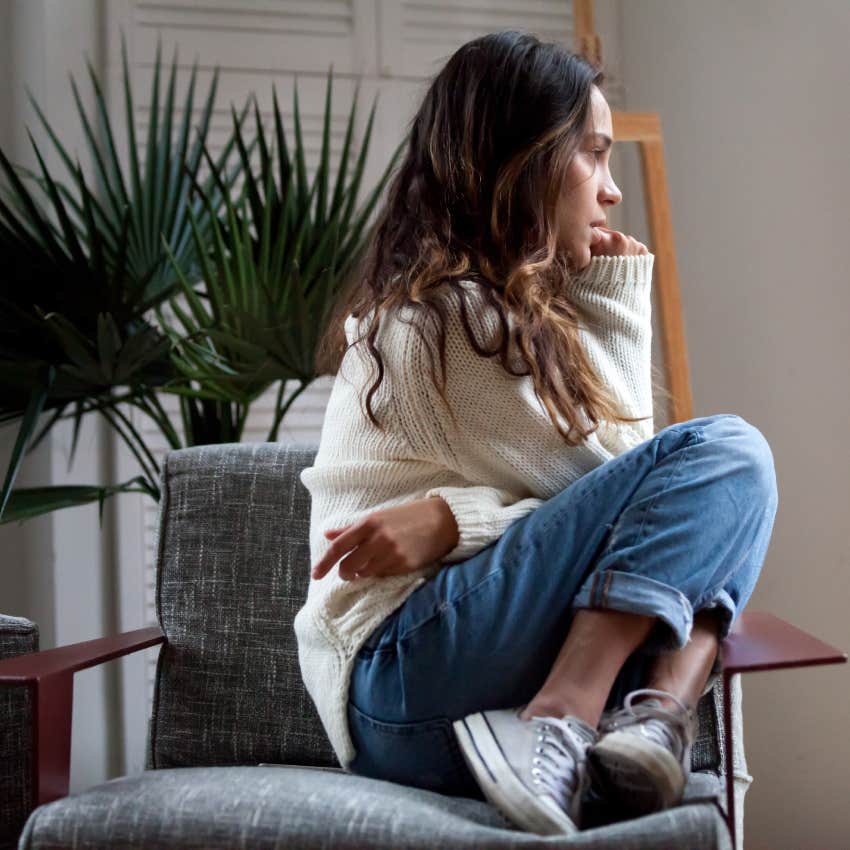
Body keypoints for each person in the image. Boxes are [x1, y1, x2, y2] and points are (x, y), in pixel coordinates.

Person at [293, 30, 778, 836]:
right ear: (522, 161)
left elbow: (638, 521)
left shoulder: (506, 317)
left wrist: (456, 520)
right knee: (731, 457)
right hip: (404, 672)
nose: (612, 192)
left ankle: (649, 725)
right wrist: (620, 298)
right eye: (592, 155)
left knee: (711, 517)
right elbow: (636, 483)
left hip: (444, 685)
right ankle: (575, 713)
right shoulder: (444, 320)